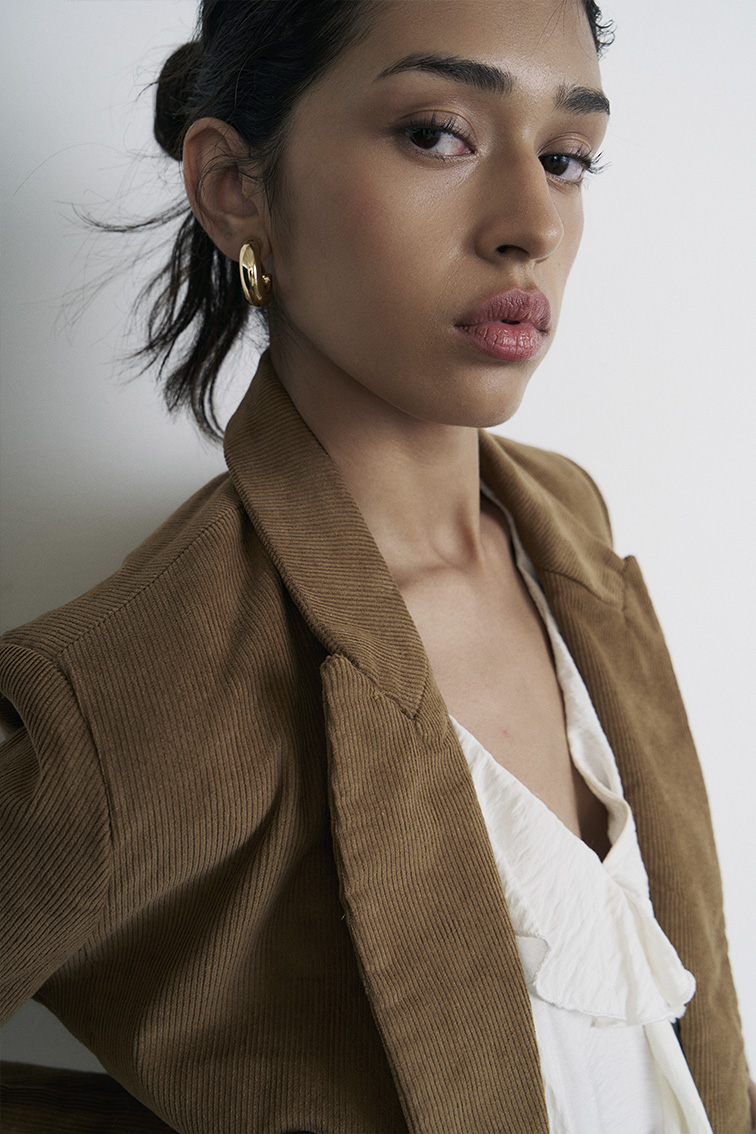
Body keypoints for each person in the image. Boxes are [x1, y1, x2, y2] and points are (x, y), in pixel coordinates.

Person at [0, 0, 753, 1131]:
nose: (530, 226)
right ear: (236, 188)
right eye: (437, 134)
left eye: (566, 157)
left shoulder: (570, 524)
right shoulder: (127, 691)